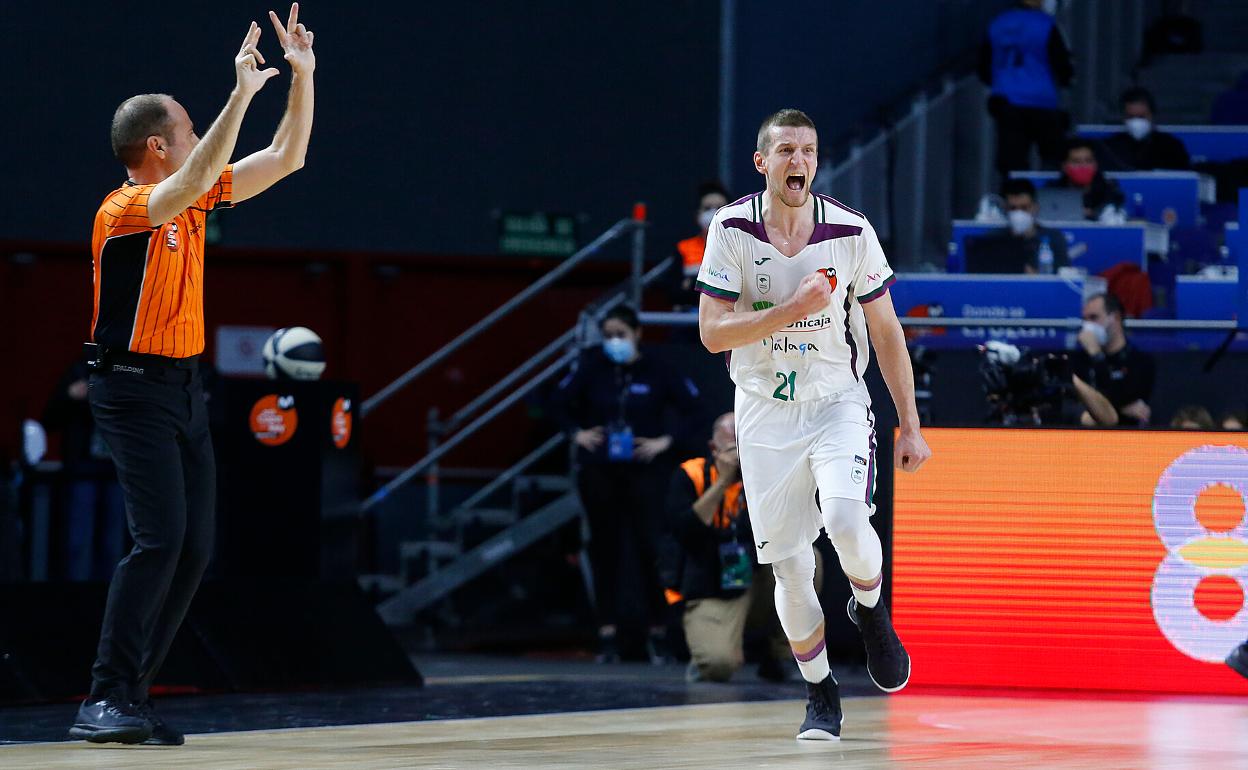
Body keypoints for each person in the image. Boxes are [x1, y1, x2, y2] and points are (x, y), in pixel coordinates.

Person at [70, 6, 315, 746]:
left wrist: (302, 78)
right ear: (157, 145)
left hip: (183, 387)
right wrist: (239, 93)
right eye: (187, 126)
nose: (198, 135)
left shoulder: (195, 195)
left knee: (194, 546)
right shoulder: (126, 210)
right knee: (159, 539)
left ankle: (132, 699)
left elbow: (286, 157)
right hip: (131, 388)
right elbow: (205, 168)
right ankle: (103, 697)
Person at [696, 109, 931, 740]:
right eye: (786, 151)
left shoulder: (851, 232)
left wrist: (909, 423)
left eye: (808, 150)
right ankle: (820, 692)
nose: (799, 160)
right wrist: (789, 310)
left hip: (836, 400)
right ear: (762, 162)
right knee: (791, 568)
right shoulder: (732, 228)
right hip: (764, 409)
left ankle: (873, 612)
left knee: (850, 520)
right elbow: (712, 333)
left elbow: (886, 330)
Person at [550, 305, 701, 664]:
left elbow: (694, 407)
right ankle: (607, 631)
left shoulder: (658, 368)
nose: (613, 342)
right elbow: (555, 401)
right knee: (604, 548)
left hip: (643, 469)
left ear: (636, 334)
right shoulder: (592, 366)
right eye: (608, 335)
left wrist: (666, 441)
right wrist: (576, 433)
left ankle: (659, 631)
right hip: (601, 468)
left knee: (651, 547)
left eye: (620, 334)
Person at [661, 412, 821, 683]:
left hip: (755, 581)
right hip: (711, 585)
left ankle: (782, 654)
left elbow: (789, 528)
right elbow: (685, 532)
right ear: (714, 449)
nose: (740, 457)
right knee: (718, 666)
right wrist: (724, 482)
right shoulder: (692, 474)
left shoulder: (768, 475)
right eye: (733, 449)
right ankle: (707, 655)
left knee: (806, 556)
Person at [42, 358, 127, 581]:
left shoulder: (132, 370)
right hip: (83, 468)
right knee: (78, 541)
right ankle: (76, 603)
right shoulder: (80, 370)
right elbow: (49, 418)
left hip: (119, 470)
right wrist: (70, 396)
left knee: (113, 543)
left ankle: (112, 604)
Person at [978, 0, 1074, 177]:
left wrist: (1001, 83)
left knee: (1012, 161)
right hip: (1042, 100)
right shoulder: (1046, 25)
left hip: (1006, 100)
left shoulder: (998, 23)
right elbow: (1063, 65)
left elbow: (984, 65)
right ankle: (1050, 197)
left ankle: (1015, 197)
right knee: (1053, 156)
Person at [1069, 293, 1155, 427]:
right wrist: (1121, 408)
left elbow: (1129, 399)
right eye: (1085, 320)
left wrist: (1096, 354)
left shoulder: (1140, 361)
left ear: (1116, 317)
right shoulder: (1079, 360)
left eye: (1094, 318)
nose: (1088, 326)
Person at [970, 178, 1070, 273]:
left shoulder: (1054, 239)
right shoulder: (992, 240)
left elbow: (1064, 277)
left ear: (1035, 208)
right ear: (1005, 209)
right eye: (1013, 208)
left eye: (1024, 208)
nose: (1019, 213)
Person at [1101, 88, 1191, 172]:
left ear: (1152, 116)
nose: (1136, 122)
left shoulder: (1172, 147)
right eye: (1131, 117)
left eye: (1141, 117)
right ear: (1123, 118)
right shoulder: (1110, 149)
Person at [671, 182, 731, 310]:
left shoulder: (743, 246)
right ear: (697, 214)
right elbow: (674, 294)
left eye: (720, 207)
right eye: (708, 208)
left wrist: (692, 284)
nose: (714, 213)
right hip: (691, 319)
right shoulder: (684, 248)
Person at [1050, 138, 1125, 221]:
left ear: (1095, 164)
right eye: (1076, 162)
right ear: (1064, 166)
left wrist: (1093, 214)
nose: (1083, 166)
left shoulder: (1110, 193)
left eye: (1088, 161)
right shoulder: (1052, 191)